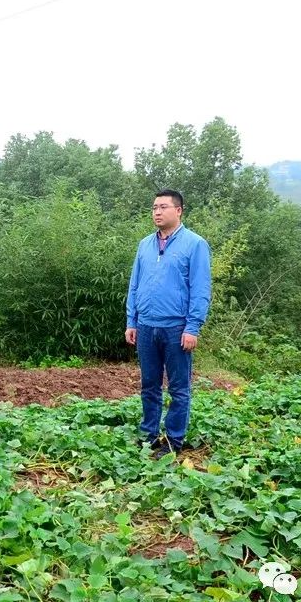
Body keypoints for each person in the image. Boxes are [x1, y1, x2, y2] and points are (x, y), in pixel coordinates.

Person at [124, 189, 211, 459]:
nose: (157, 212)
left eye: (163, 207)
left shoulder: (194, 244)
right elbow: (135, 285)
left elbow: (200, 288)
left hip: (176, 328)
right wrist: (132, 320)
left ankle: (174, 440)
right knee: (149, 384)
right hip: (147, 326)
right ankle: (149, 434)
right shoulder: (144, 245)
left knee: (178, 387)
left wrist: (192, 327)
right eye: (154, 208)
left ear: (178, 211)